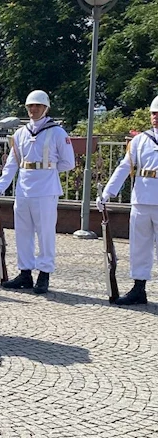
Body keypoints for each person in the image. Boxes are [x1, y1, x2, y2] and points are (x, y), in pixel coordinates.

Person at [0, 90, 75, 294]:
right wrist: (1, 186)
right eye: (30, 106)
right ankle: (25, 271)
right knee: (23, 232)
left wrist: (47, 169)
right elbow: (12, 164)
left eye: (37, 106)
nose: (33, 109)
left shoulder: (57, 132)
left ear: (46, 108)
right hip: (24, 187)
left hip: (46, 188)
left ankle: (44, 273)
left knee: (45, 232)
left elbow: (68, 162)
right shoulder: (20, 133)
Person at [97, 95, 158, 305]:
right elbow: (124, 167)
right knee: (139, 247)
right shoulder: (140, 140)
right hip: (141, 199)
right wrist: (107, 192)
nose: (155, 117)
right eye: (153, 113)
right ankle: (139, 287)